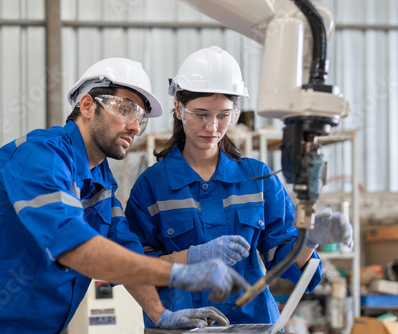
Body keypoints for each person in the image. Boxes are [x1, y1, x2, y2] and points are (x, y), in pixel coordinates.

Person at [0, 57, 251, 333]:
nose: (135, 127)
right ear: (87, 105)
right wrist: (178, 273)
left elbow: (123, 249)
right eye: (126, 110)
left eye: (140, 117)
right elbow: (72, 246)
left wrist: (159, 313)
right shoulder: (39, 158)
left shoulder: (101, 180)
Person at [125, 46, 354, 328]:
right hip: (184, 326)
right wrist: (189, 258)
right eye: (201, 114)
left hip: (255, 324)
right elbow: (133, 266)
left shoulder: (258, 179)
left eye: (224, 115)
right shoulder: (151, 186)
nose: (213, 126)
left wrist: (308, 241)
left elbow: (284, 261)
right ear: (178, 109)